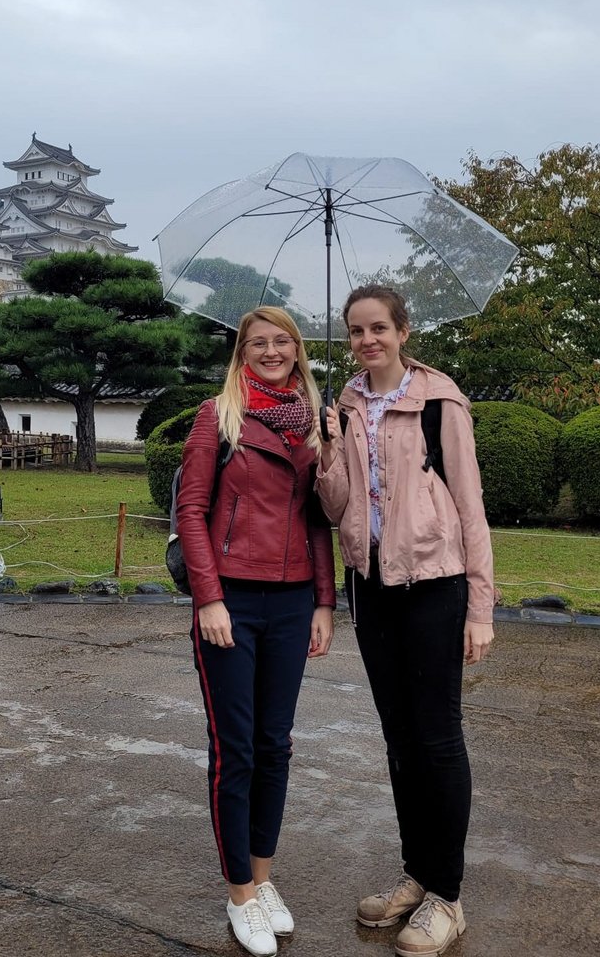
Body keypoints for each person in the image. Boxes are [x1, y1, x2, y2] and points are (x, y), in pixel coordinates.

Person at [316, 285, 494, 957]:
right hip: (373, 588)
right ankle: (417, 876)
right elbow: (336, 508)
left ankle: (448, 897)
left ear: (403, 331)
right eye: (357, 330)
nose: (368, 340)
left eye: (379, 328)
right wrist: (328, 455)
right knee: (398, 740)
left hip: (435, 586)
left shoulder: (438, 402)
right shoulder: (346, 405)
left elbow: (471, 507)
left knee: (438, 738)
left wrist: (481, 607)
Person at [176, 306, 336, 957]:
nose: (271, 351)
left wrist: (326, 602)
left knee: (276, 745)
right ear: (242, 353)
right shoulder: (218, 417)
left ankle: (265, 879)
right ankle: (239, 891)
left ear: (298, 350)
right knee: (235, 749)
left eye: (283, 342)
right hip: (232, 602)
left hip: (294, 600)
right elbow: (191, 510)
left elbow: (321, 520)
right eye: (258, 343)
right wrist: (208, 598)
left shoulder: (316, 426)